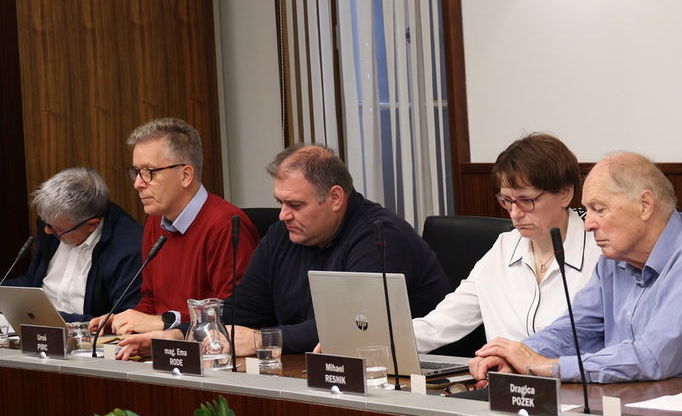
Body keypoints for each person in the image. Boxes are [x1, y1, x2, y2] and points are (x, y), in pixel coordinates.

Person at [116, 144, 451, 358]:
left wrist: (260, 341)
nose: (282, 215)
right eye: (280, 203)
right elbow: (243, 310)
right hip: (316, 371)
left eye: (295, 205)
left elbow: (352, 328)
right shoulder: (282, 236)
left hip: (423, 377)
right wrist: (178, 335)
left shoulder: (380, 237)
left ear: (335, 198)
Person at [471, 152, 682, 384]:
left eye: (599, 209)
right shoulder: (614, 260)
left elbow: (654, 357)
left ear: (645, 205)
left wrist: (546, 366)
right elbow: (574, 330)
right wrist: (515, 355)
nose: (587, 224)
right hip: (635, 402)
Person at [412, 134, 601, 354]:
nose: (514, 213)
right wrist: (385, 341)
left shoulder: (600, 252)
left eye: (526, 201)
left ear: (565, 194)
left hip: (571, 375)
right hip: (500, 375)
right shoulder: (505, 246)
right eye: (507, 201)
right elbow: (441, 324)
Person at [92, 118, 258, 337]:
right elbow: (152, 299)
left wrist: (164, 323)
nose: (138, 183)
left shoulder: (225, 226)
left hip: (209, 350)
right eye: (136, 171)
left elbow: (234, 315)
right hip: (166, 345)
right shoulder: (155, 220)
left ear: (185, 175)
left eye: (149, 172)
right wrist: (125, 321)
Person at [0, 168, 143, 322]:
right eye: (46, 223)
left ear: (92, 225)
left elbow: (123, 320)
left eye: (56, 228)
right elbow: (33, 285)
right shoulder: (53, 228)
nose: (47, 231)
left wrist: (48, 319)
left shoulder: (130, 247)